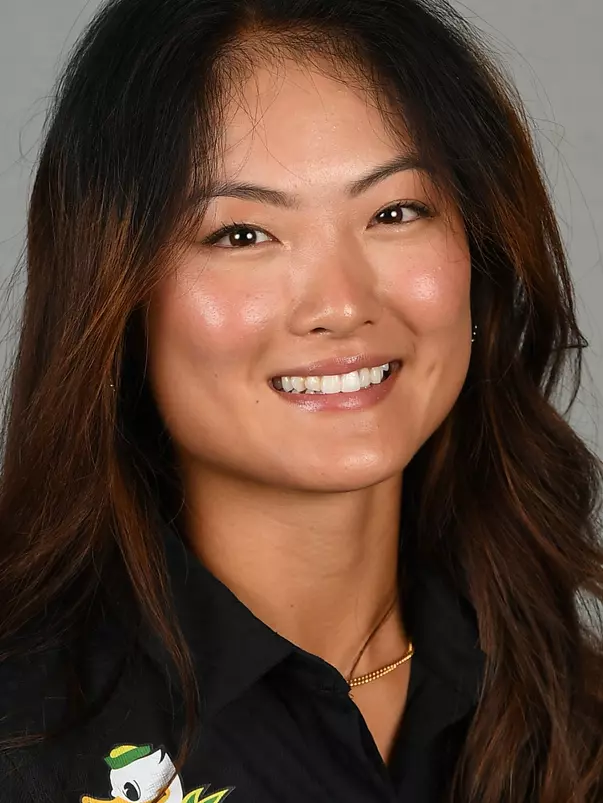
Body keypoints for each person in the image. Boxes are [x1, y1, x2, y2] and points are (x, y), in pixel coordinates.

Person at [0, 0, 601, 801]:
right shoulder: (25, 736)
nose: (342, 303)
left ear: (478, 253)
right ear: (114, 294)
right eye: (241, 233)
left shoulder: (567, 703)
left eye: (394, 212)